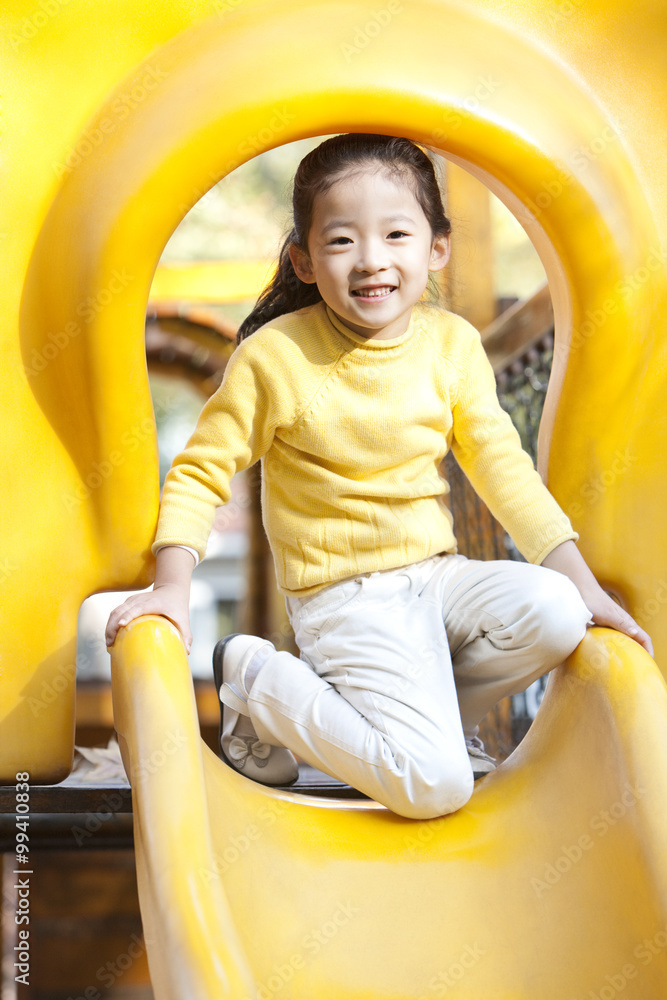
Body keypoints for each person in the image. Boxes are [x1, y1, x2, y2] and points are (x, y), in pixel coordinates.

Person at [106, 134, 652, 820]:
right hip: (345, 598)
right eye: (340, 242)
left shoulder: (449, 344)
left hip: (437, 578)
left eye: (396, 233)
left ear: (435, 248)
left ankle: (417, 727)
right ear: (302, 260)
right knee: (436, 788)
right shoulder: (277, 356)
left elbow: (501, 466)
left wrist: (583, 583)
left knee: (557, 614)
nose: (371, 260)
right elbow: (200, 470)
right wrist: (172, 587)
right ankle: (255, 677)